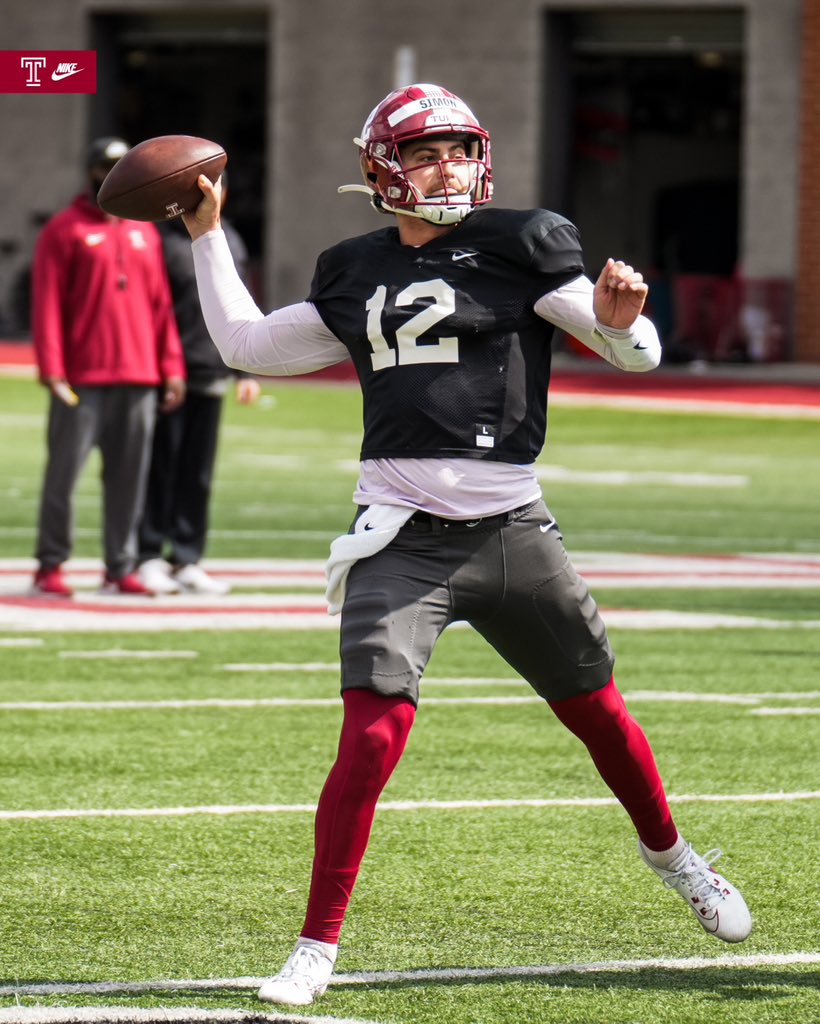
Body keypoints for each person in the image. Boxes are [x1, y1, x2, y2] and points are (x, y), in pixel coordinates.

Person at [182, 84, 751, 1007]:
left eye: (458, 149)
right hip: (399, 539)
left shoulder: (526, 249)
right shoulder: (353, 267)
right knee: (370, 737)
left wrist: (616, 316)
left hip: (513, 533)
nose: (446, 167)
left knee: (598, 713)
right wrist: (209, 233)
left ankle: (676, 859)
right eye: (423, 152)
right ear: (381, 170)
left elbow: (636, 351)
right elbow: (247, 344)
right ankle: (316, 946)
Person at [30, 136, 186, 597]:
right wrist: (52, 369)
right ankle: (50, 564)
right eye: (106, 167)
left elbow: (161, 306)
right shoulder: (64, 229)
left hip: (138, 376)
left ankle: (120, 566)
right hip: (82, 379)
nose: (111, 175)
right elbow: (47, 304)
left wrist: (171, 366)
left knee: (129, 479)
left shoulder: (145, 231)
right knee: (63, 476)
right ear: (93, 171)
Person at [137, 173, 261, 596]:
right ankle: (148, 554)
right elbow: (151, 311)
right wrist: (164, 365)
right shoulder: (162, 240)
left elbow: (238, 302)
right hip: (169, 373)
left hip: (212, 370)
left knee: (198, 474)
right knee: (161, 468)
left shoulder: (231, 240)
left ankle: (187, 557)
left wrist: (245, 370)